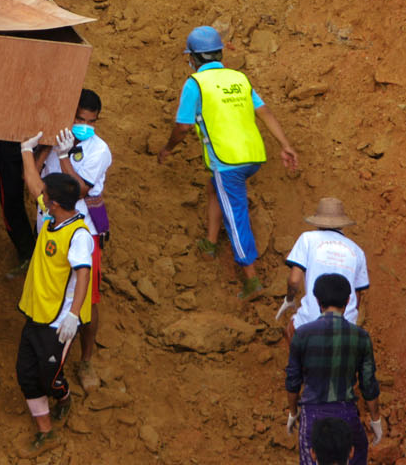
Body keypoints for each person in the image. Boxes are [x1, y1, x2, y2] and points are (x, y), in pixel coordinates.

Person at [157, 24, 299, 297]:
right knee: (214, 188)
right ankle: (210, 243)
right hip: (253, 156)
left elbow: (183, 126)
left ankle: (251, 278)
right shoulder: (239, 79)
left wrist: (168, 148)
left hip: (227, 161)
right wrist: (285, 145)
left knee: (236, 215)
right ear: (219, 53)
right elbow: (264, 111)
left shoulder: (194, 83)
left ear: (194, 58)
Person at [12, 141, 93, 457]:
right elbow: (33, 185)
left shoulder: (78, 235)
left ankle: (64, 396)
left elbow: (83, 275)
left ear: (56, 203)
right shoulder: (51, 217)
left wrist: (73, 316)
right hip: (36, 312)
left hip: (58, 322)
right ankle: (46, 432)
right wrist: (25, 149)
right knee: (25, 373)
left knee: (50, 378)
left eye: (46, 196)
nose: (40, 197)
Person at [37, 90, 112, 392]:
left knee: (88, 301)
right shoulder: (55, 135)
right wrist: (46, 147)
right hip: (49, 225)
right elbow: (36, 171)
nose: (84, 125)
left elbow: (80, 190)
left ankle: (86, 360)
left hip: (84, 232)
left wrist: (65, 156)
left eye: (90, 121)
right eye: (79, 118)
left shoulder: (100, 150)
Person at [285, 274, 384, 465]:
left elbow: (293, 380)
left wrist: (292, 411)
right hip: (345, 413)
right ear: (348, 300)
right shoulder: (360, 336)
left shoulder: (302, 335)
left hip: (312, 414)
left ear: (317, 300)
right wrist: (375, 419)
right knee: (358, 449)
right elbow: (368, 384)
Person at [279, 198, 370, 343]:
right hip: (346, 327)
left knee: (291, 331)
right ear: (342, 224)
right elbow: (357, 296)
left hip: (310, 323)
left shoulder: (307, 239)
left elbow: (294, 280)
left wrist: (289, 299)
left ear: (318, 222)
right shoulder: (357, 251)